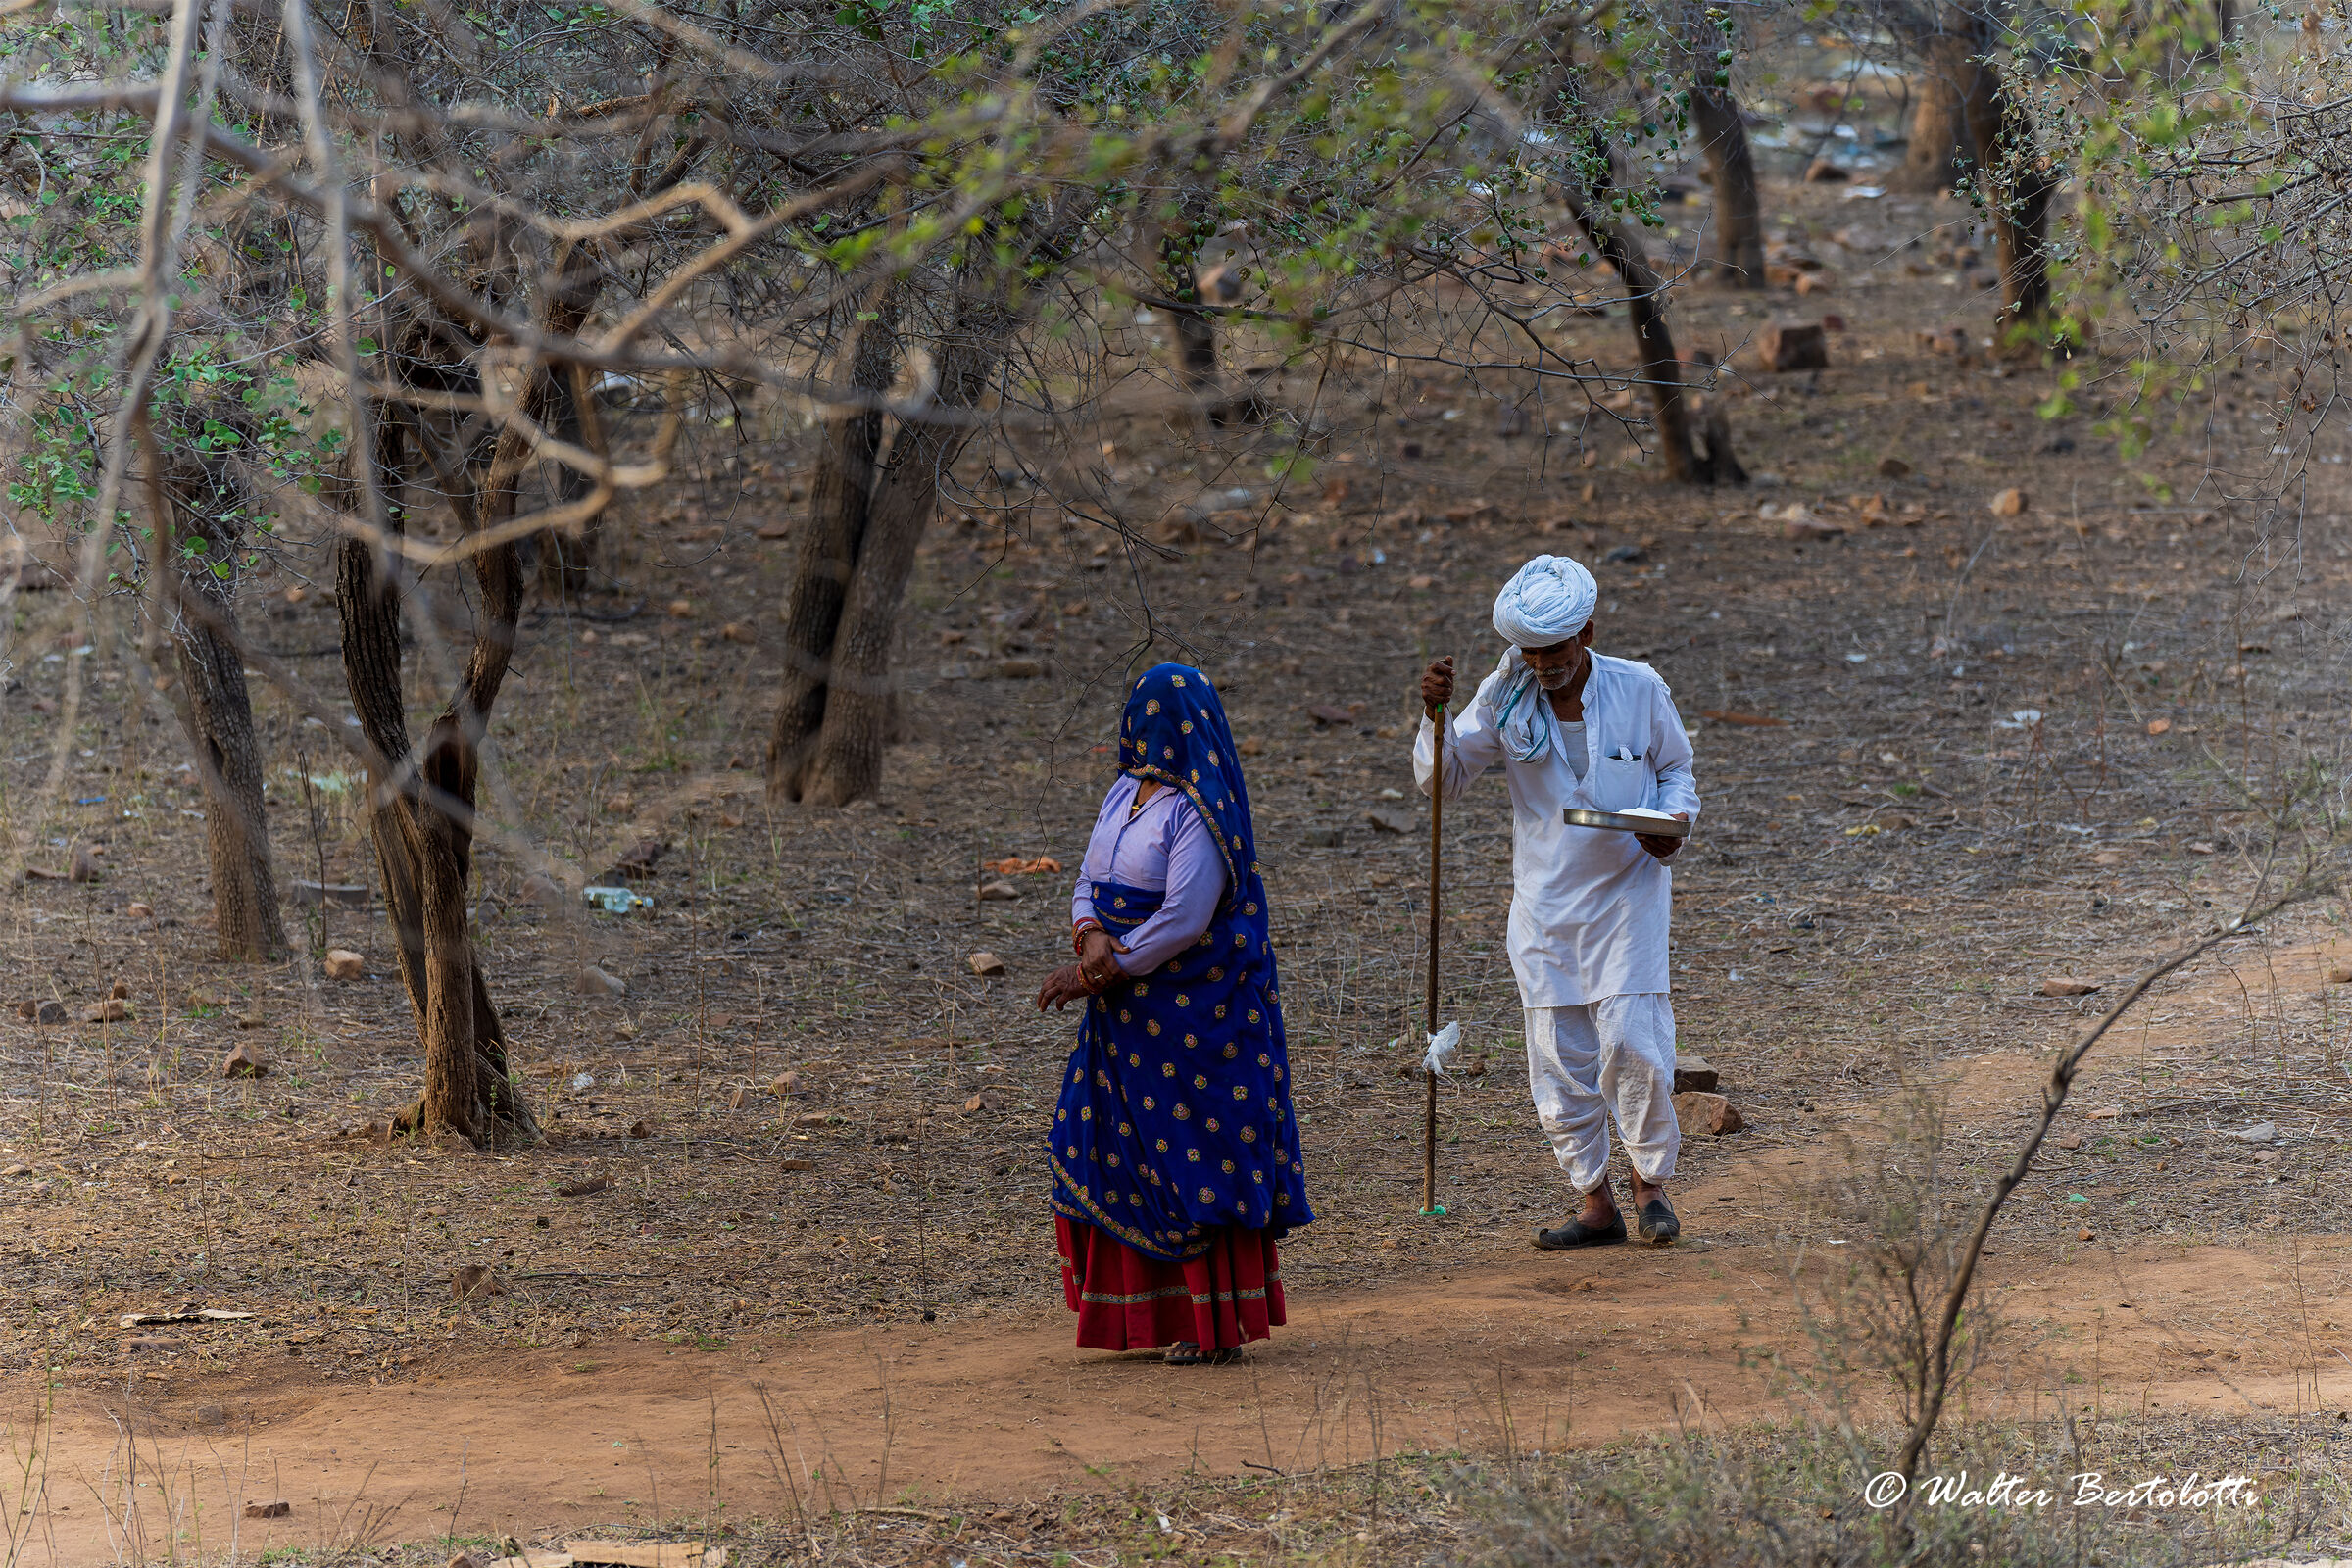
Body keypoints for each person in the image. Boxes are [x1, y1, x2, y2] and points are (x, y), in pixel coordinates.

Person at [1413, 555, 1700, 1249]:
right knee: (1558, 1057)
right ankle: (1595, 1203)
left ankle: (1650, 1187)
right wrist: (1434, 716)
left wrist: (1673, 823)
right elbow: (1444, 782)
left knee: (1633, 1043)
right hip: (1545, 904)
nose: (1542, 665)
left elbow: (1675, 768)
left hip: (1629, 892)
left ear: (1586, 635)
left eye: (1554, 650)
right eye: (1531, 652)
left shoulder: (1638, 688)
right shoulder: (1503, 696)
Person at [1036, 662, 1312, 1363]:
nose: (1150, 730)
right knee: (1113, 1147)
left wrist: (1100, 969)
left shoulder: (1200, 810)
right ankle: (1143, 1316)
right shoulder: (1123, 791)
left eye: (1162, 717)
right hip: (1123, 1013)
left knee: (1196, 1157)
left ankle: (1209, 1325)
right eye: (1142, 713)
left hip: (1194, 1013)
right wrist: (1089, 934)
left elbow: (1186, 918)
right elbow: (1087, 878)